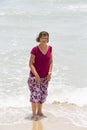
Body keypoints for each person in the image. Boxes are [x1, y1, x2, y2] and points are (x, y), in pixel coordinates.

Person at [27, 31, 53, 121]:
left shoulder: (50, 48)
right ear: (39, 38)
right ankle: (34, 115)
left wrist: (49, 73)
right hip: (34, 77)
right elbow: (30, 64)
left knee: (42, 95)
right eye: (42, 38)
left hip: (45, 77)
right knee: (35, 95)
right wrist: (36, 75)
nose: (44, 40)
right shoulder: (35, 49)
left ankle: (39, 112)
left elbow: (51, 62)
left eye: (46, 38)